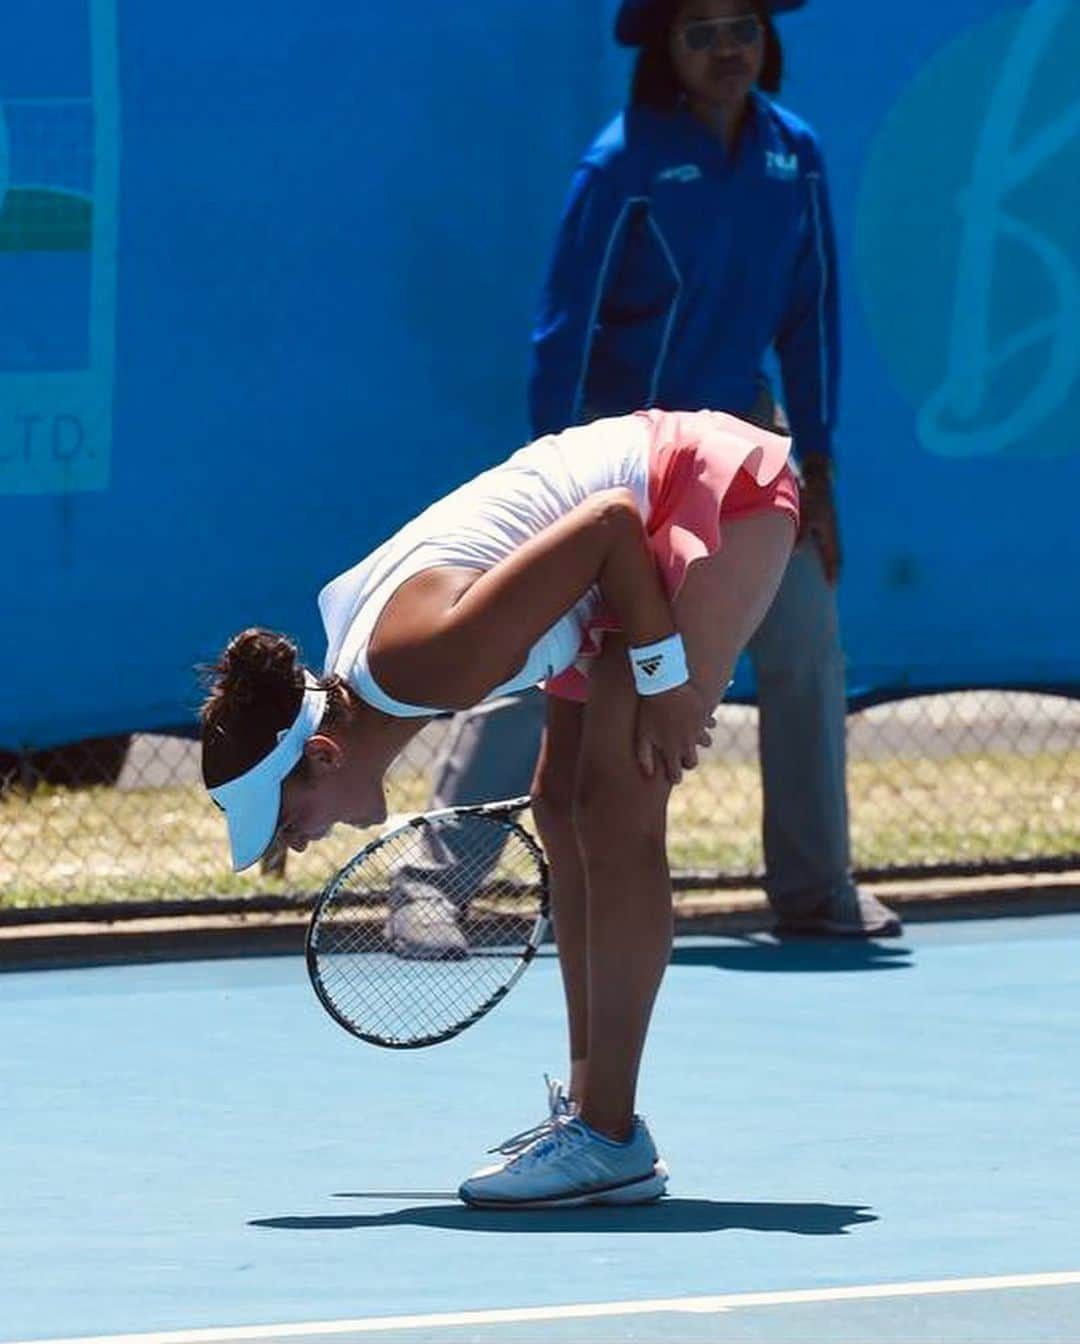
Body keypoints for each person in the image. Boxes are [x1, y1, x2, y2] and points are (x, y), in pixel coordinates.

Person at [395, 0, 901, 958]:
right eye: (700, 32)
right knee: (540, 661)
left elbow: (812, 319)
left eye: (742, 28)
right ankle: (432, 881)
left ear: (768, 40)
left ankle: (814, 886)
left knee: (806, 647)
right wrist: (561, 476)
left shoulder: (795, 154)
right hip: (617, 469)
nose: (726, 50)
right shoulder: (620, 162)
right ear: (666, 50)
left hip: (745, 464)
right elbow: (562, 330)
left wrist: (818, 465)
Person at [201, 406, 798, 1208]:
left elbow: (614, 524)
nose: (302, 845)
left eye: (286, 823)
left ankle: (609, 1135)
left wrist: (665, 684)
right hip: (627, 536)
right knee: (561, 807)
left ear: (322, 755)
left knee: (618, 818)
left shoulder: (429, 665)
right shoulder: (380, 667)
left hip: (703, 494)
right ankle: (594, 1116)